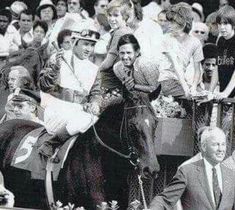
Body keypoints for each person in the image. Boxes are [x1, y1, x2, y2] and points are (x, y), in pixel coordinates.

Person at [38, 26, 101, 158]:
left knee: (95, 121)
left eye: (92, 45)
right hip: (57, 110)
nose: (89, 49)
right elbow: (44, 87)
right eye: (86, 44)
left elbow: (95, 94)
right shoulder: (58, 58)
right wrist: (55, 68)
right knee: (86, 120)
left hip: (78, 112)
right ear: (74, 42)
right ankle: (51, 144)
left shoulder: (95, 69)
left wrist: (94, 103)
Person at [150, 126, 235, 210]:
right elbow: (165, 199)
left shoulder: (231, 175)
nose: (221, 149)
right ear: (204, 146)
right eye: (215, 144)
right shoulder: (187, 172)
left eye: (223, 144)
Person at [158, 3, 204, 97]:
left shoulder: (195, 42)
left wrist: (194, 87)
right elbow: (176, 66)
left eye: (173, 22)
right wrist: (186, 89)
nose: (169, 25)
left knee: (203, 96)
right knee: (195, 98)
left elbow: (197, 69)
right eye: (169, 21)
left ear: (183, 22)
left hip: (183, 82)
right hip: (167, 81)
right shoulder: (166, 39)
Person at [99, 0, 132, 93]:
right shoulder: (127, 30)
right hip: (120, 81)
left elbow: (108, 63)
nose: (111, 19)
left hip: (111, 83)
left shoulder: (120, 33)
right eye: (109, 15)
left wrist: (94, 72)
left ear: (125, 16)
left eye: (116, 15)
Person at [211, 6, 235, 99]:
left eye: (226, 23)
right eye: (220, 24)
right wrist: (210, 91)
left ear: (233, 24)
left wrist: (226, 93)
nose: (222, 27)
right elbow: (217, 67)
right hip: (224, 93)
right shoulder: (220, 40)